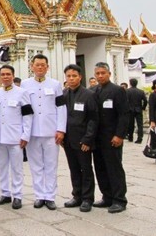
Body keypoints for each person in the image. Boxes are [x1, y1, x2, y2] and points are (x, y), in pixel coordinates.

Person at [20, 54, 66, 211]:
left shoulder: (55, 84)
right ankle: (39, 195)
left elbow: (61, 108)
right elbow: (23, 110)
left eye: (43, 65)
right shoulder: (25, 85)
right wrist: (24, 133)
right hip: (32, 132)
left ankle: (50, 196)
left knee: (51, 165)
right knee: (36, 165)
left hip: (51, 131)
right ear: (32, 66)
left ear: (48, 67)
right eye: (37, 65)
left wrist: (61, 129)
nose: (40, 67)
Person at [0, 65, 33, 210]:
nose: (5, 77)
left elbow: (27, 116)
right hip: (0, 138)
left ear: (13, 76)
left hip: (16, 138)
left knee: (17, 168)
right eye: (3, 74)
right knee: (2, 167)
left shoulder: (22, 93)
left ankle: (18, 195)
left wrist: (26, 134)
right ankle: (5, 193)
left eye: (8, 74)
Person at [92, 62, 129, 214]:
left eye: (103, 73)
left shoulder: (118, 91)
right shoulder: (93, 91)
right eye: (98, 73)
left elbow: (124, 115)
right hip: (97, 138)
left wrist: (119, 135)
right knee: (100, 168)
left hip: (112, 137)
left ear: (109, 74)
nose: (100, 76)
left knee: (114, 168)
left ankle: (119, 199)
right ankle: (107, 196)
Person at [62, 64, 98, 212]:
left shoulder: (88, 95)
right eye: (69, 76)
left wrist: (88, 139)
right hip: (68, 139)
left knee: (86, 169)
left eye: (74, 76)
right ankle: (77, 195)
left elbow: (93, 119)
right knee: (74, 168)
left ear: (80, 77)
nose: (71, 79)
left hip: (83, 140)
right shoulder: (64, 94)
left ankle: (87, 198)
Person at [126, 78, 147, 144]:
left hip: (130, 109)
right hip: (138, 109)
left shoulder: (127, 91)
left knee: (131, 124)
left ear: (130, 83)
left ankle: (130, 137)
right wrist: (143, 107)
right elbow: (145, 101)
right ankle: (140, 138)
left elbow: (125, 101)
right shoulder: (141, 91)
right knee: (140, 124)